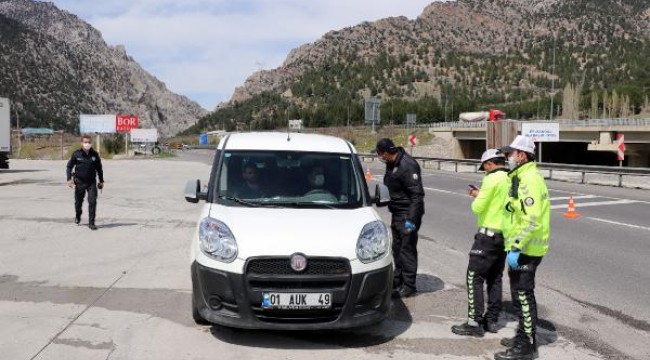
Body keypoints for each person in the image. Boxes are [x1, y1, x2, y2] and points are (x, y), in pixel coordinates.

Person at [494, 135, 550, 360]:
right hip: (521, 247)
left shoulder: (529, 180)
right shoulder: (520, 177)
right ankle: (524, 336)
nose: (507, 158)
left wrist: (516, 247)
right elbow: (519, 211)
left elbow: (532, 219)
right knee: (520, 297)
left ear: (522, 155)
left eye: (510, 154)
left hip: (527, 249)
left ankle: (526, 346)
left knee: (524, 296)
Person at [452, 149, 509, 337]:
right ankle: (492, 320)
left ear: (489, 164)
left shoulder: (491, 179)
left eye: (484, 167)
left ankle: (474, 322)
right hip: (504, 237)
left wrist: (477, 195)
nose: (484, 171)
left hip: (487, 236)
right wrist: (482, 193)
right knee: (495, 278)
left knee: (474, 277)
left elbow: (478, 207)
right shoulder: (511, 178)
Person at [375, 138, 425, 298]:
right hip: (397, 213)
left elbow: (417, 196)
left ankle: (409, 286)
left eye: (380, 154)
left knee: (407, 249)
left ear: (386, 153)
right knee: (397, 248)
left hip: (407, 214)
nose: (380, 158)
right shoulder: (392, 163)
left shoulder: (407, 165)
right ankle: (398, 280)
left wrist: (411, 220)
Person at [66, 134, 104, 230]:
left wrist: (101, 180)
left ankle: (91, 223)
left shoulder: (95, 155)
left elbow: (99, 168)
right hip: (79, 182)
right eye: (85, 142)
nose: (87, 144)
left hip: (91, 182)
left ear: (91, 143)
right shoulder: (76, 154)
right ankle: (78, 215)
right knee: (78, 202)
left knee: (92, 202)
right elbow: (69, 166)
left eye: (89, 142)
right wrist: (69, 179)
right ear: (82, 143)